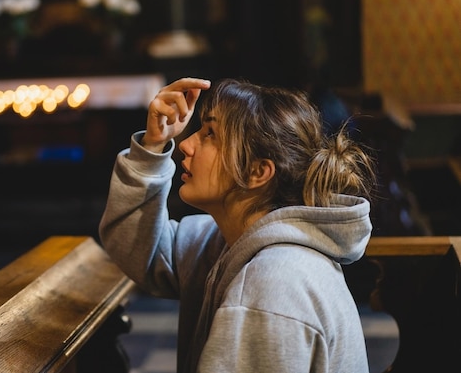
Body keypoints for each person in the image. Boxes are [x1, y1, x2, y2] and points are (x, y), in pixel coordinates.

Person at [99, 77, 377, 373]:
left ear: (258, 172)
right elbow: (143, 249)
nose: (186, 145)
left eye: (210, 134)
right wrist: (152, 146)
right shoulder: (229, 241)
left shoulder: (273, 284)